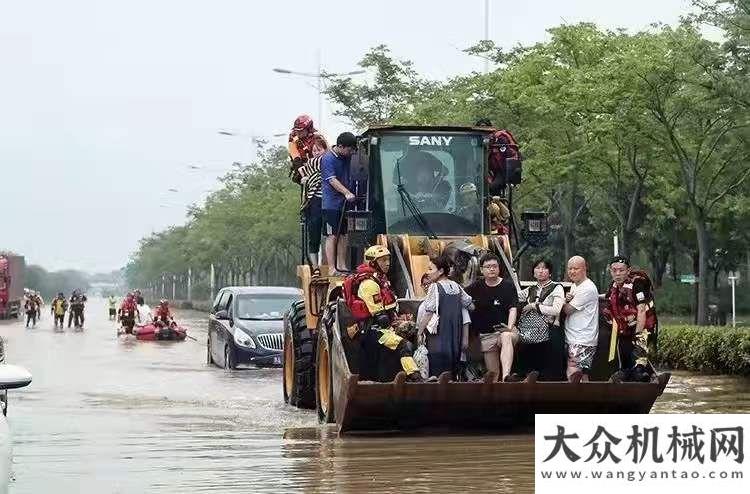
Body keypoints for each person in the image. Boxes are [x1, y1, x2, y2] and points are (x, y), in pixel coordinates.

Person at [344, 245, 422, 382]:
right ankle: (415, 377)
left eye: (388, 259)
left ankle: (406, 377)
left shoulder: (380, 280)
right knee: (403, 345)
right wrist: (399, 325)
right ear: (372, 262)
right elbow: (381, 318)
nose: (387, 263)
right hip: (373, 330)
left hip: (378, 329)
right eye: (382, 260)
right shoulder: (369, 284)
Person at [417, 254, 474, 379]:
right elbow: (470, 305)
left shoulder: (434, 287)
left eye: (431, 269)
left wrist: (420, 332)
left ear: (441, 271)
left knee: (437, 369)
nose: (427, 272)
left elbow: (428, 312)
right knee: (452, 368)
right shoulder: (457, 286)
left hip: (439, 335)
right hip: (455, 335)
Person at [603, 256, 658, 383]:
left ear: (628, 271)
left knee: (639, 362)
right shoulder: (613, 286)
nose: (617, 274)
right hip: (626, 329)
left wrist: (638, 334)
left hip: (642, 327)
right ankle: (626, 376)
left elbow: (642, 310)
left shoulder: (637, 284)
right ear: (610, 271)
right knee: (625, 359)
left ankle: (647, 377)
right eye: (614, 270)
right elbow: (607, 301)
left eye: (621, 270)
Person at [466, 253, 519, 382]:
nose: (492, 269)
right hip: (486, 336)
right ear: (482, 269)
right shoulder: (475, 287)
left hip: (506, 330)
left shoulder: (508, 286)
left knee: (506, 336)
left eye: (494, 266)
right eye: (488, 266)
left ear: (499, 268)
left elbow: (513, 308)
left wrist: (509, 327)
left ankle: (507, 376)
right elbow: (461, 296)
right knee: (493, 373)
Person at [514, 259, 565, 380]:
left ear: (550, 272)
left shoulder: (557, 288)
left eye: (544, 268)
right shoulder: (530, 289)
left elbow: (556, 310)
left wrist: (534, 306)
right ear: (533, 272)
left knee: (548, 372)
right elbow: (515, 296)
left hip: (550, 332)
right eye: (537, 268)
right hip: (530, 334)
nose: (541, 271)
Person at [321, 132, 358, 275]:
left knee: (344, 234)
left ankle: (341, 265)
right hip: (331, 205)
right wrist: (346, 192)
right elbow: (332, 180)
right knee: (332, 235)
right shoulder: (328, 158)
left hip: (345, 204)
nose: (350, 153)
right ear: (341, 146)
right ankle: (331, 268)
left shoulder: (346, 157)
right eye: (349, 150)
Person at [562, 256, 599, 383]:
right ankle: (587, 400)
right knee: (582, 375)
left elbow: (567, 310)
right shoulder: (575, 285)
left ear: (584, 269)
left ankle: (574, 400)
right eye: (570, 269)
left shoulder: (587, 288)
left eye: (576, 268)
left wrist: (560, 301)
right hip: (576, 337)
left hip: (581, 339)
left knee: (573, 370)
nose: (572, 272)